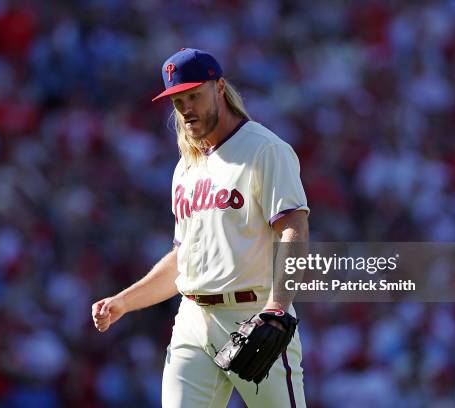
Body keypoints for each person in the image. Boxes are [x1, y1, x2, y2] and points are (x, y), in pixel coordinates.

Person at [92, 48, 309, 408]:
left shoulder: (265, 149)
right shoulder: (186, 168)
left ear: (220, 87)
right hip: (192, 319)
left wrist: (278, 307)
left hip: (254, 313)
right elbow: (183, 257)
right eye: (178, 99)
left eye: (194, 94)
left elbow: (294, 231)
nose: (187, 106)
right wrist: (124, 302)